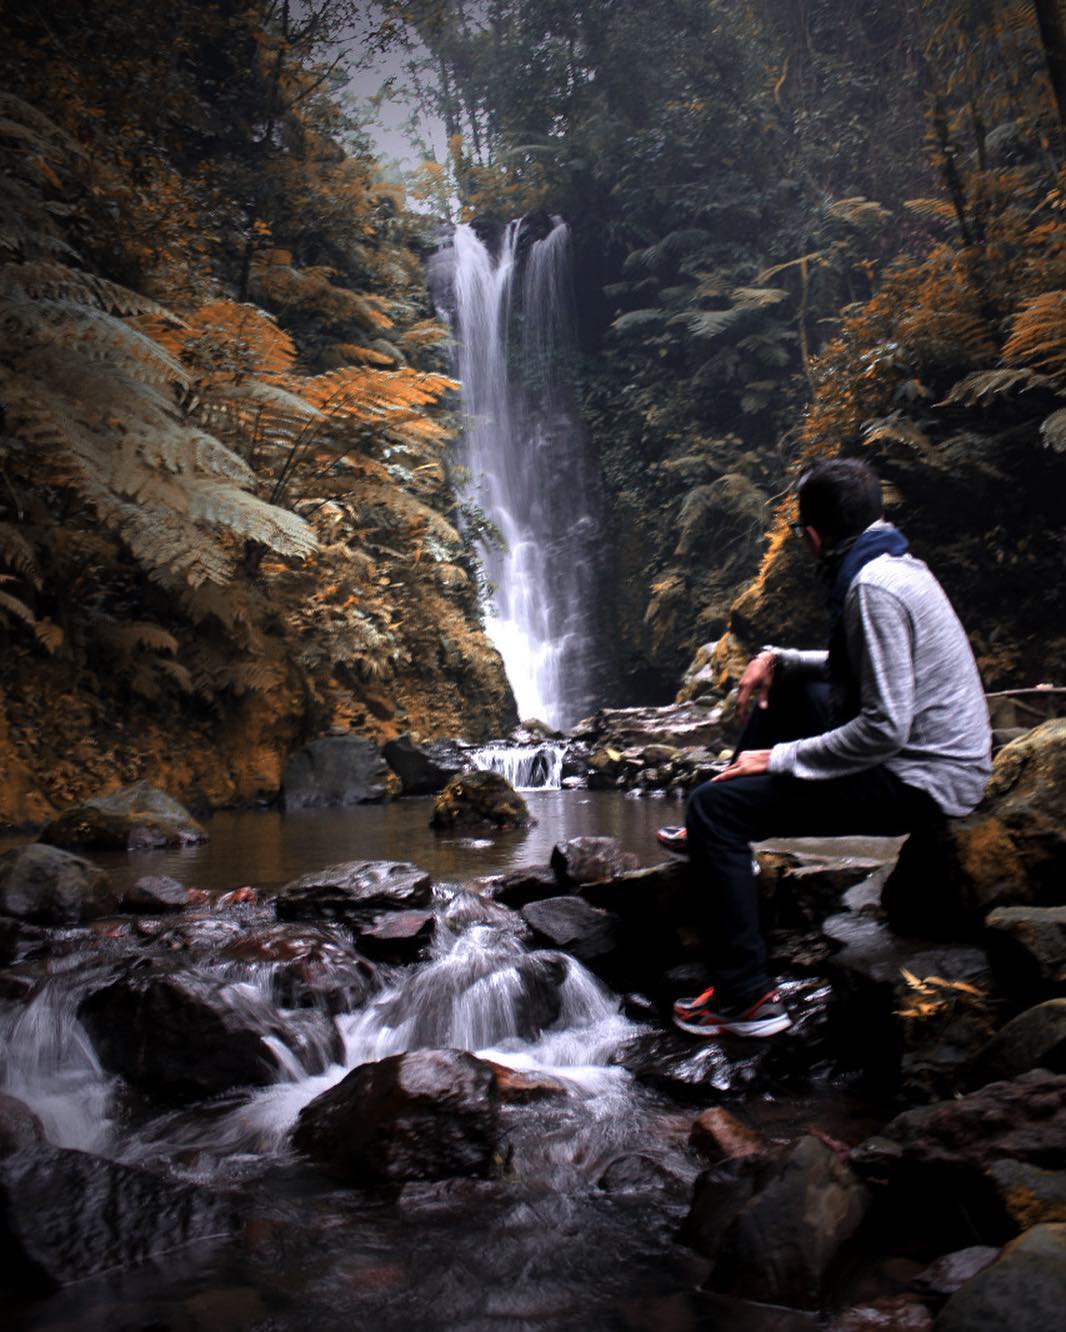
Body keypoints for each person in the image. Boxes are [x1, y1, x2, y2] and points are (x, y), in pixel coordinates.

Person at [672, 457, 992, 1039]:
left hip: (924, 775)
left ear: (812, 534)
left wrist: (774, 758)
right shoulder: (896, 565)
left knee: (714, 809)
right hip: (935, 754)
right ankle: (712, 837)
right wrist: (779, 659)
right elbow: (863, 667)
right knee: (788, 687)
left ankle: (745, 998)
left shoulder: (872, 589)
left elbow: (885, 728)